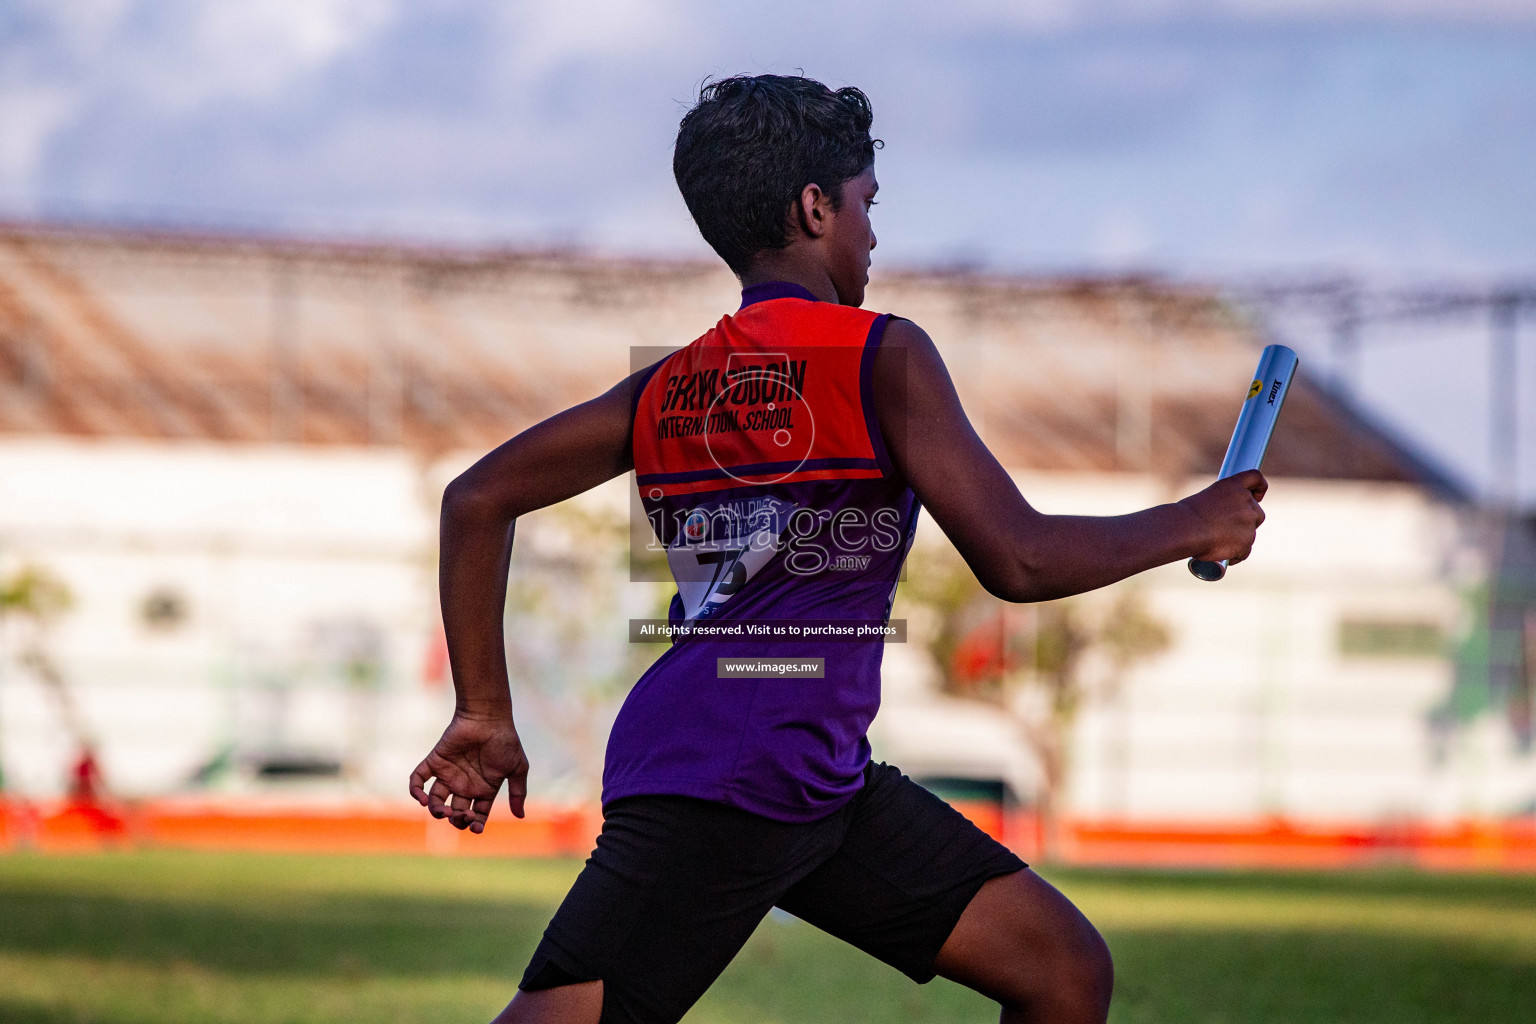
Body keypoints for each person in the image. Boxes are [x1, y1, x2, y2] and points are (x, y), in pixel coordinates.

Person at [410, 74, 1267, 1024]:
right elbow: (1017, 559)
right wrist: (1196, 520)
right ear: (815, 207)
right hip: (731, 773)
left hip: (812, 773)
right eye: (865, 205)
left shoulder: (666, 386)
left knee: (1062, 970)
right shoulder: (881, 355)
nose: (871, 234)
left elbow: (475, 498)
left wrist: (486, 712)